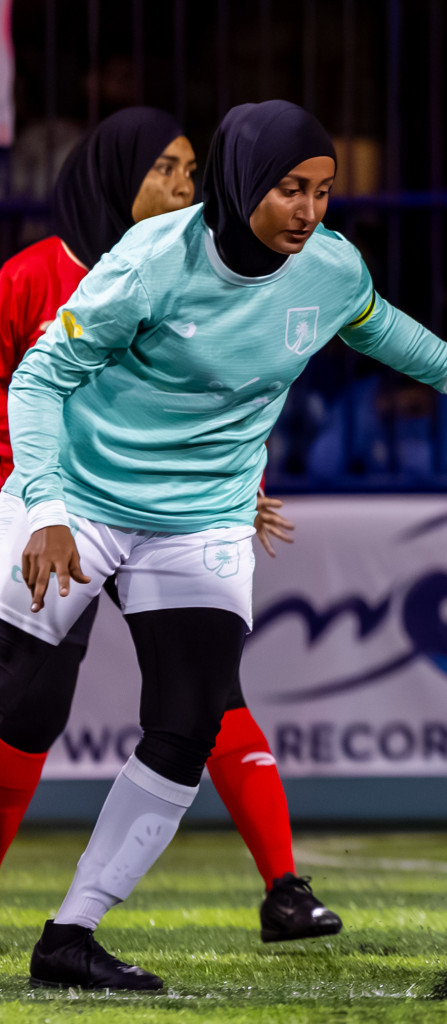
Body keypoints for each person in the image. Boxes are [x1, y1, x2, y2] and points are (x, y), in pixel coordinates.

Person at [1, 100, 447, 990]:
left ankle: (71, 934)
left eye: (323, 192)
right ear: (245, 183)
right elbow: (41, 377)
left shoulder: (325, 267)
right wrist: (44, 506)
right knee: (12, 696)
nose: (310, 211)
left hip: (203, 514)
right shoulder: (150, 261)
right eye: (290, 190)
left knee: (190, 719)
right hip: (81, 498)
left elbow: (381, 327)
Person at [0, 106, 344, 947]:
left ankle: (285, 887)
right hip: (57, 515)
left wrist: (238, 485)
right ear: (116, 175)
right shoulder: (34, 275)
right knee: (26, 706)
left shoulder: (198, 272)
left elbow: (224, 394)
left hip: (169, 515)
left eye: (192, 170)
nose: (184, 185)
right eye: (165, 168)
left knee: (211, 695)